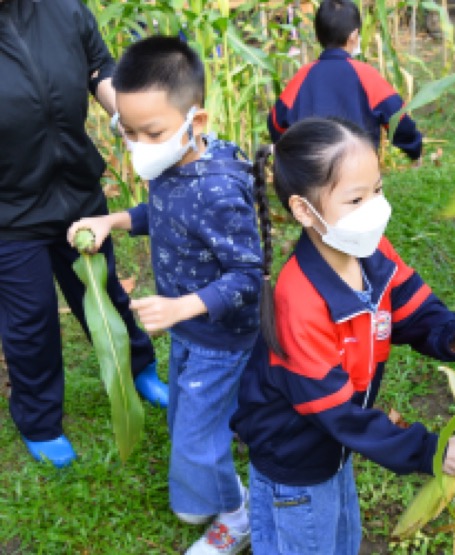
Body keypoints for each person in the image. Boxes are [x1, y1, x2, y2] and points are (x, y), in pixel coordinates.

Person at [231, 117, 455, 554]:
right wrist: (430, 451)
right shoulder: (299, 302)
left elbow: (415, 311)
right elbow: (340, 415)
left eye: (377, 189)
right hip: (296, 462)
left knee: (343, 542)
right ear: (304, 210)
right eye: (355, 199)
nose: (374, 207)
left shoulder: (372, 254)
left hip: (334, 449)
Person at [67, 36, 258, 555]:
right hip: (189, 327)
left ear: (196, 123)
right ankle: (207, 484)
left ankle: (238, 516)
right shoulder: (172, 166)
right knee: (185, 418)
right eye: (126, 132)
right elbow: (163, 212)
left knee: (196, 434)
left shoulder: (219, 189)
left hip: (218, 332)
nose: (136, 146)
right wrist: (113, 219)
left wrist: (181, 306)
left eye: (149, 133)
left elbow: (247, 277)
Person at [0, 0, 168, 469]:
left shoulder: (64, 8)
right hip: (9, 208)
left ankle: (138, 369)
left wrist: (126, 116)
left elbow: (100, 66)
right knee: (30, 320)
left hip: (76, 190)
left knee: (104, 291)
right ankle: (39, 420)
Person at [267, 0, 424, 162]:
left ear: (317, 35)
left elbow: (275, 123)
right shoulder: (366, 74)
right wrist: (414, 148)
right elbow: (397, 116)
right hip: (358, 167)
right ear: (354, 36)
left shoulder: (302, 75)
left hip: (312, 171)